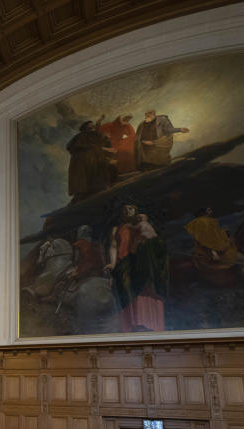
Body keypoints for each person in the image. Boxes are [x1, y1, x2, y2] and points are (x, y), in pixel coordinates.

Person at [106, 204, 168, 332]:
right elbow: (113, 246)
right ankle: (130, 324)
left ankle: (148, 322)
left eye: (131, 208)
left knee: (145, 289)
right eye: (124, 209)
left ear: (136, 212)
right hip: (124, 262)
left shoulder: (143, 224)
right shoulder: (116, 229)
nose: (127, 211)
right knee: (126, 290)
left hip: (141, 261)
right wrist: (112, 263)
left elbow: (154, 241)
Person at [185, 206, 244, 289]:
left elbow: (213, 235)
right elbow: (206, 239)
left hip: (214, 248)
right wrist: (214, 253)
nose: (210, 211)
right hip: (213, 251)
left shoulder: (201, 222)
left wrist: (223, 232)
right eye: (208, 210)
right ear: (202, 212)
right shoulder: (204, 222)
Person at [66, 120, 116, 202]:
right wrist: (104, 148)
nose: (93, 127)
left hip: (92, 158)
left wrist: (105, 139)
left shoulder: (94, 135)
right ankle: (83, 194)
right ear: (86, 127)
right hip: (82, 161)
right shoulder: (81, 136)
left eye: (93, 126)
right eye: (91, 126)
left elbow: (98, 144)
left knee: (99, 170)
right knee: (84, 179)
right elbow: (80, 147)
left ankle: (98, 188)